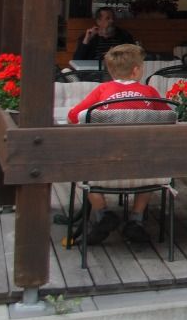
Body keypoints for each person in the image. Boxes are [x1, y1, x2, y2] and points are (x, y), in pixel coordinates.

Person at [66, 43, 170, 245]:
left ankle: (102, 214)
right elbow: (168, 117)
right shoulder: (149, 91)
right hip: (143, 167)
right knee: (150, 157)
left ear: (110, 70)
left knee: (80, 165)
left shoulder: (102, 90)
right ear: (136, 70)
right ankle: (136, 219)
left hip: (105, 166)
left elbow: (73, 117)